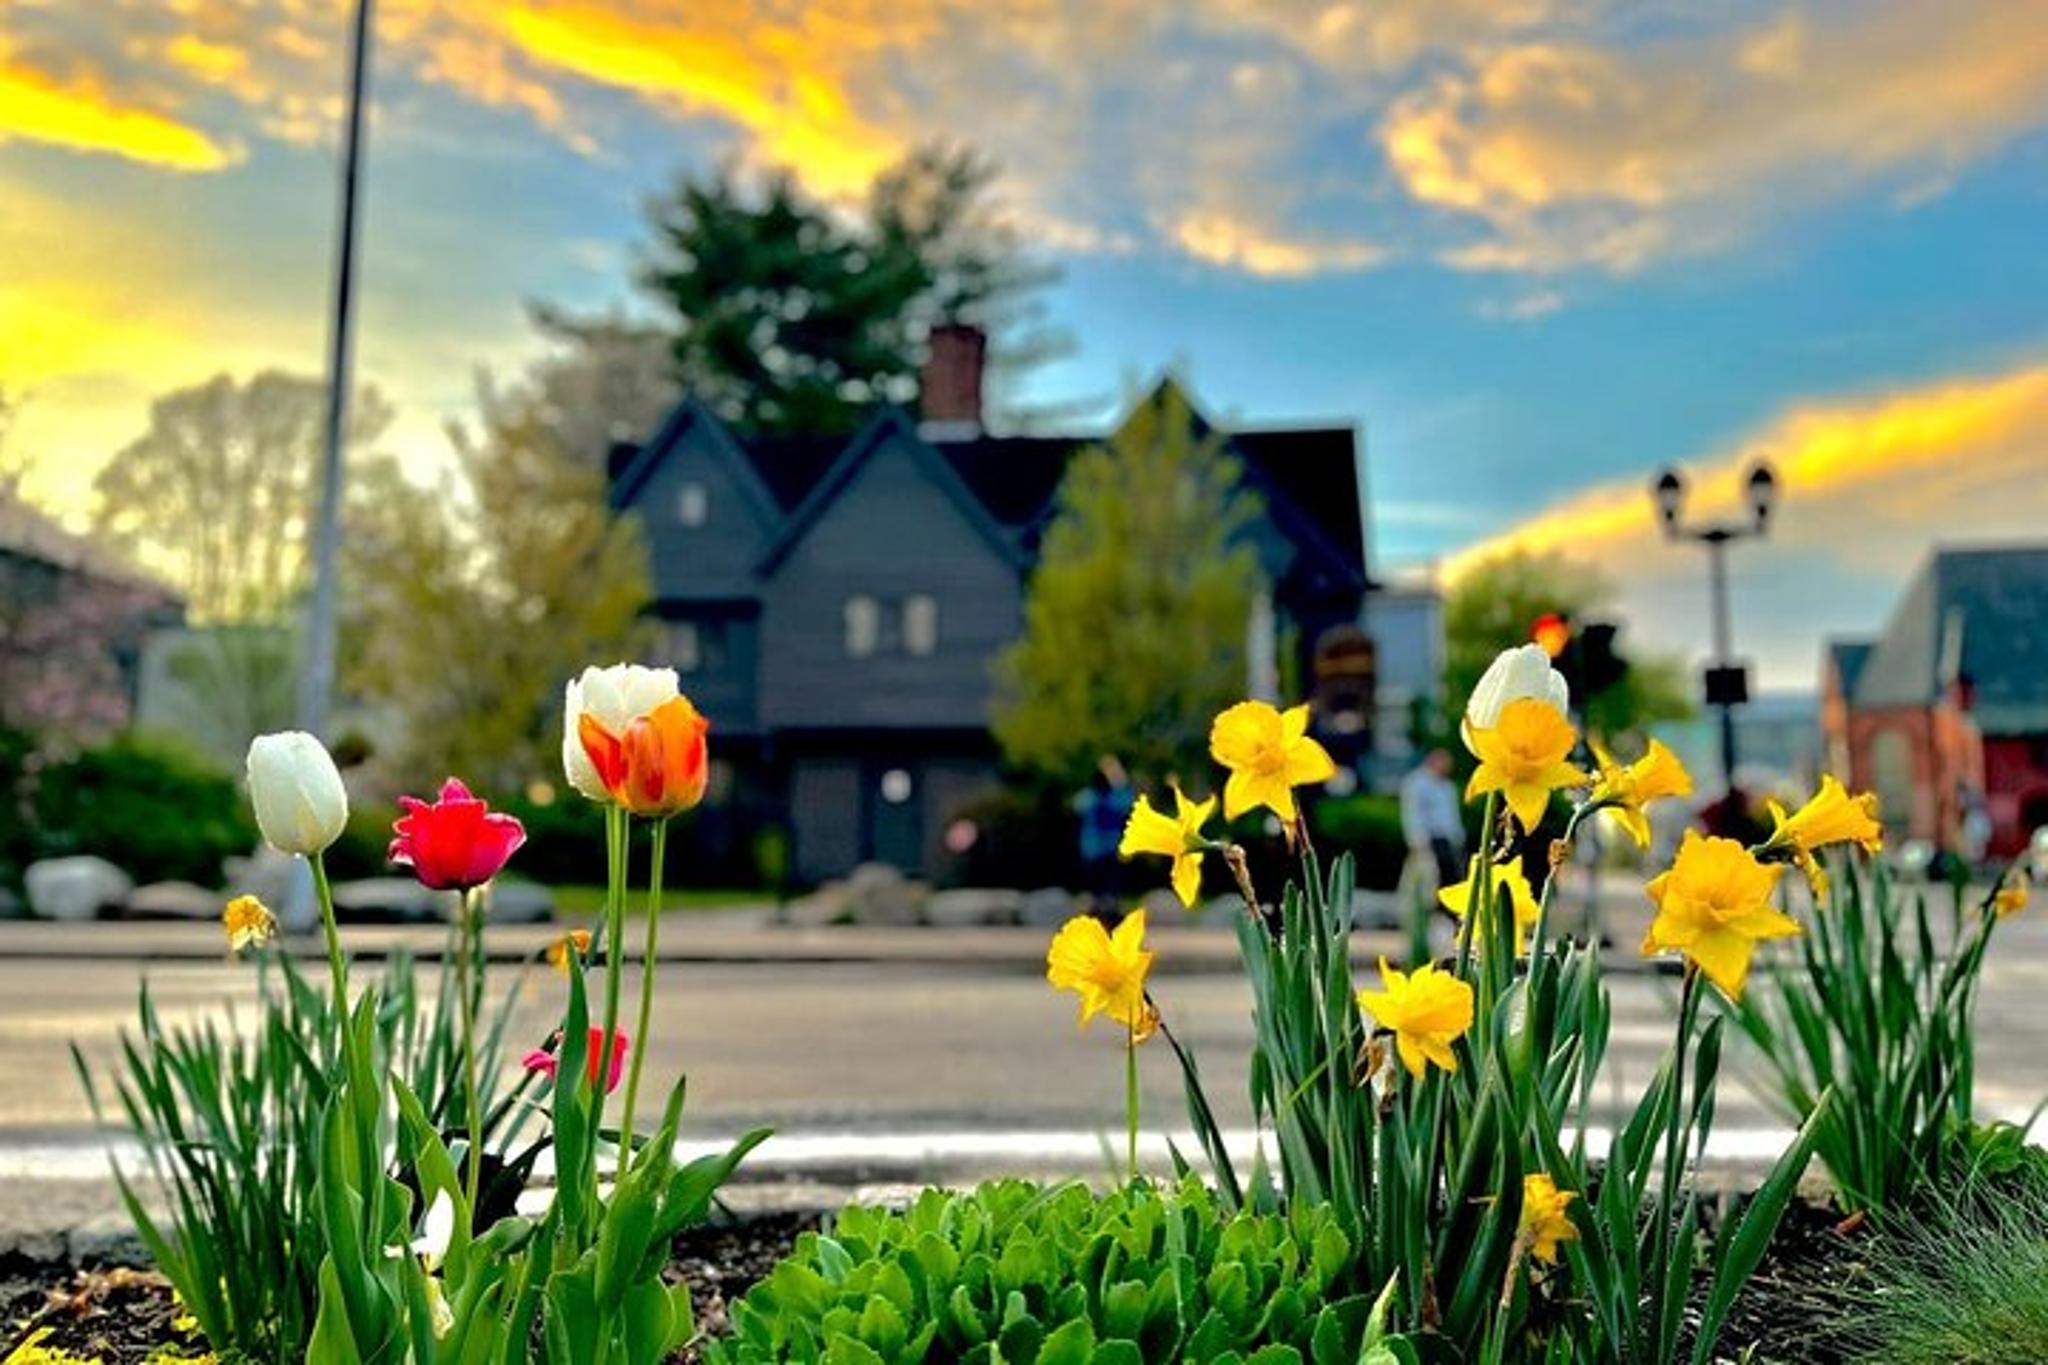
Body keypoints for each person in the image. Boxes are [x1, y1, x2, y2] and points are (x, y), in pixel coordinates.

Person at [1075, 755, 1136, 914]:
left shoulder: (1090, 797)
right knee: (1103, 886)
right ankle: (1102, 907)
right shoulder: (1107, 798)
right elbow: (1127, 795)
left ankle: (1104, 906)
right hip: (1101, 848)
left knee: (1106, 886)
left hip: (1101, 848)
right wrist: (1115, 774)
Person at [1400, 748, 1464, 894]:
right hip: (1427, 839)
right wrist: (1416, 839)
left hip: (1446, 840)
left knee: (1449, 878)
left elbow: (1452, 815)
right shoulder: (1416, 783)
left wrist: (1458, 837)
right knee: (1424, 879)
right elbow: (1412, 813)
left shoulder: (1448, 786)